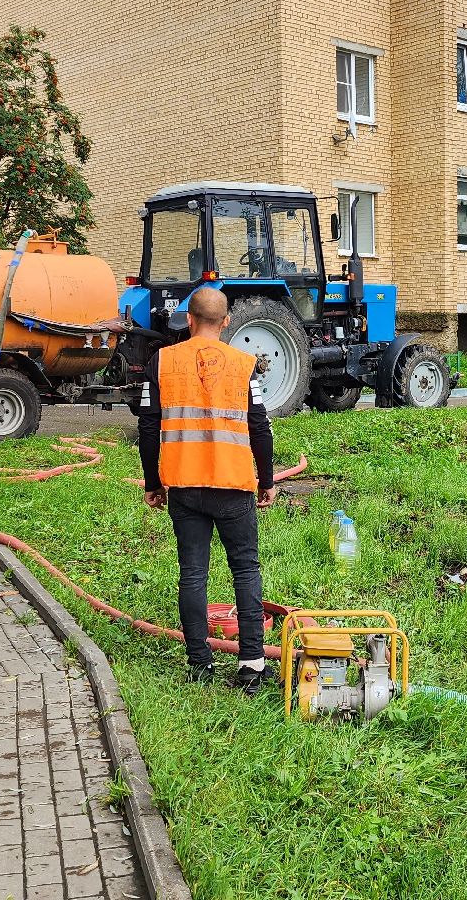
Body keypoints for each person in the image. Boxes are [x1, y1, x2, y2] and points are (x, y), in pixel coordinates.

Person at [137, 288, 277, 692]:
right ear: (227, 321)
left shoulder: (162, 361)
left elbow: (148, 426)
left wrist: (153, 482)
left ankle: (200, 664)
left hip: (184, 485)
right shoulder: (244, 365)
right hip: (233, 485)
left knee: (193, 574)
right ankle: (251, 666)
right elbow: (259, 427)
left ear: (188, 319)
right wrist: (266, 480)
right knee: (245, 570)